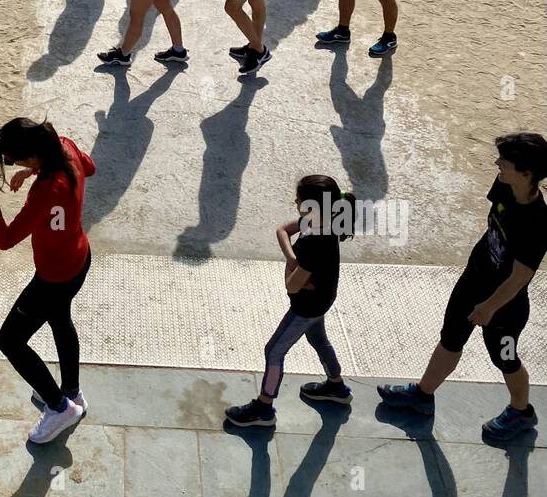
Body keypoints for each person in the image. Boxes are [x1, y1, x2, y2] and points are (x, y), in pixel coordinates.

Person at [380, 133, 547, 441]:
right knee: (450, 338)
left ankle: (521, 411)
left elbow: (519, 278)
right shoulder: (505, 185)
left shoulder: (537, 222)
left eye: (505, 162)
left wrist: (489, 308)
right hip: (472, 283)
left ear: (527, 173)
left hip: (504, 307)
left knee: (505, 357)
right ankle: (422, 395)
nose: (497, 164)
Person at [0, 118, 94, 445]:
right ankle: (72, 393)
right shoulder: (64, 147)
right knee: (60, 319)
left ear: (33, 156)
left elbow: (5, 239)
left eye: (11, 160)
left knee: (9, 341)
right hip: (79, 259)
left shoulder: (45, 193)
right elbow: (89, 167)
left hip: (53, 277)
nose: (10, 165)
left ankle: (60, 408)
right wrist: (36, 171)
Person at [225, 176, 353, 425]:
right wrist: (292, 261)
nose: (295, 202)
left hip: (306, 306)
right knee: (318, 339)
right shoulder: (321, 221)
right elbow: (282, 230)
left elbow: (291, 286)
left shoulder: (317, 242)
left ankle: (264, 407)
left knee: (273, 351)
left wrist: (293, 270)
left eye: (299, 199)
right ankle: (336, 387)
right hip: (322, 299)